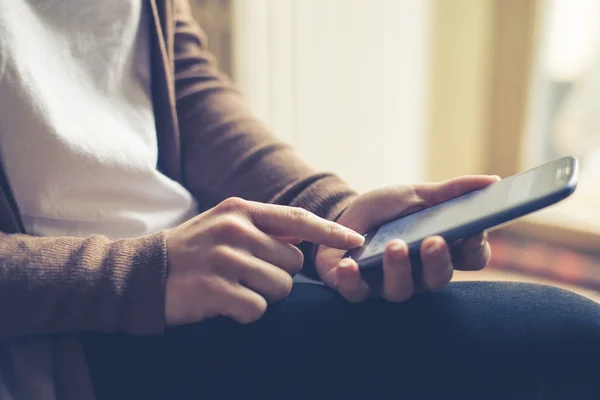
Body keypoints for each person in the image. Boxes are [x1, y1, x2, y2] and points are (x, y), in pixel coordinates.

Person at [0, 1, 599, 399]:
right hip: (66, 331)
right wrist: (133, 275)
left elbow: (176, 76)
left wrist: (326, 210)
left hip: (195, 270)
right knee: (568, 340)